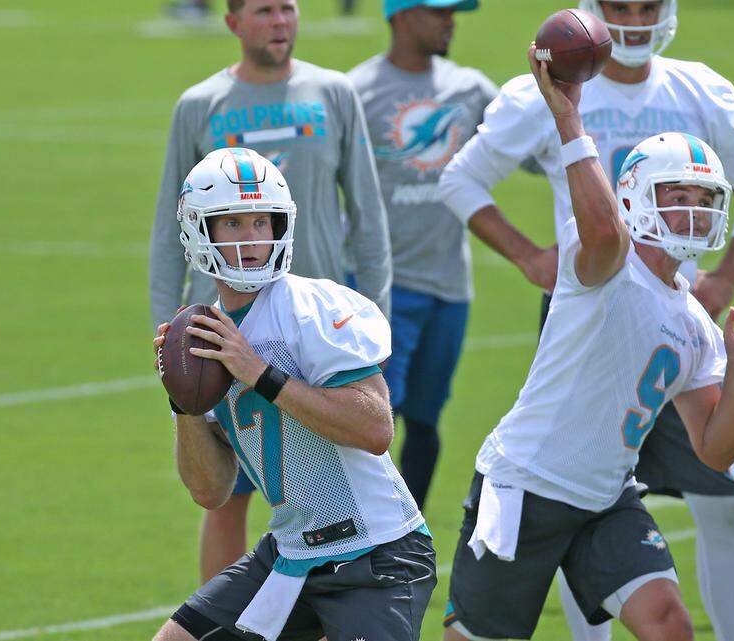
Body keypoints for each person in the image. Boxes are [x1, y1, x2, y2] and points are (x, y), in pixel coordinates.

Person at [438, 2, 734, 638]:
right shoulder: (598, 261)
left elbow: (716, 452)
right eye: (674, 197)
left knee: (670, 625)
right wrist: (569, 118)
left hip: (605, 500)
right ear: (634, 201)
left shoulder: (697, 324)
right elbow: (599, 230)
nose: (690, 213)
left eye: (703, 200)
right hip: (528, 490)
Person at [148, 0, 393, 584]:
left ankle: (347, 601)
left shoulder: (333, 92)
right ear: (233, 22)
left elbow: (367, 211)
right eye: (263, 11)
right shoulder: (200, 104)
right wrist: (172, 340)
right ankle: (224, 622)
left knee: (336, 477)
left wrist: (377, 319)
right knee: (228, 491)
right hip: (228, 326)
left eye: (287, 9)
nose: (279, 22)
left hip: (318, 330)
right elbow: (168, 228)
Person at [151, 148, 433, 641]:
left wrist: (259, 373)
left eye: (262, 222)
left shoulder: (313, 308)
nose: (251, 240)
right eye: (233, 224)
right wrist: (185, 403)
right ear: (200, 230)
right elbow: (210, 491)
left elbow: (374, 429)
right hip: (292, 553)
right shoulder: (207, 335)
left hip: (375, 553)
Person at [349, 0, 493, 511]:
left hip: (450, 288)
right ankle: (365, 546)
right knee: (374, 424)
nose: (451, 20)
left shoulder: (471, 89)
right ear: (402, 15)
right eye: (440, 11)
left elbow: (532, 150)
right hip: (379, 292)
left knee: (428, 421)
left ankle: (407, 544)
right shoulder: (355, 92)